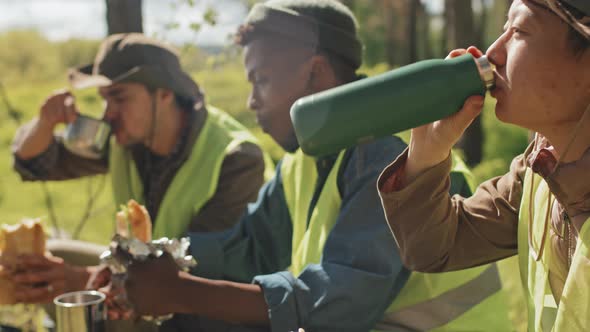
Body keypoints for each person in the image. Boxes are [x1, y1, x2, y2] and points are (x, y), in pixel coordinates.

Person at [120, 1, 511, 331]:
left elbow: (340, 303)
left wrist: (181, 293)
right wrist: (154, 258)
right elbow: (248, 248)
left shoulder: (390, 154)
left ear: (316, 73)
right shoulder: (303, 160)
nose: (252, 101)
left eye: (261, 80)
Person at [8, 33, 270, 307]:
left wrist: (85, 280)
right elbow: (34, 164)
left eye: (119, 98)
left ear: (165, 93)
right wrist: (45, 122)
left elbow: (195, 265)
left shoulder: (236, 158)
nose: (108, 113)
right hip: (150, 277)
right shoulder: (127, 139)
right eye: (104, 99)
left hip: (220, 301)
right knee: (42, 260)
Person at [378, 0, 590, 331]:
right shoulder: (538, 173)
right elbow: (433, 248)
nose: (493, 53)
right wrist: (428, 152)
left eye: (519, 31)